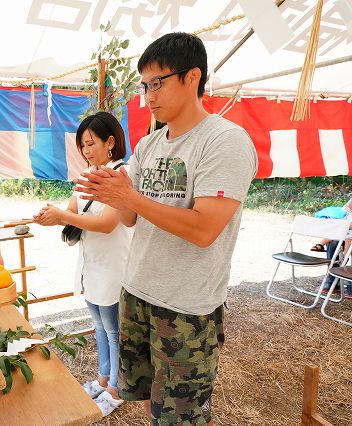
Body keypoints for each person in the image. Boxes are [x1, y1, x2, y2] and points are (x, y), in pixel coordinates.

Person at [73, 32, 257, 425]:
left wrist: (131, 197)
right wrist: (114, 195)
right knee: (149, 400)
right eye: (144, 86)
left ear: (193, 77)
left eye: (157, 82)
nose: (148, 95)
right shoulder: (148, 145)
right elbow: (130, 218)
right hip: (138, 291)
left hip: (187, 305)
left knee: (180, 415)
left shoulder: (224, 141)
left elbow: (205, 228)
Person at [33, 111, 131, 417]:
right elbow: (73, 210)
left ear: (111, 142)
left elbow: (107, 224)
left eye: (90, 143)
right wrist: (51, 215)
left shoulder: (121, 176)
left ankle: (116, 390)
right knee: (100, 327)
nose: (86, 151)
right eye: (82, 145)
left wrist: (63, 216)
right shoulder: (88, 175)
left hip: (114, 267)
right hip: (92, 267)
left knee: (115, 332)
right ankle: (103, 379)